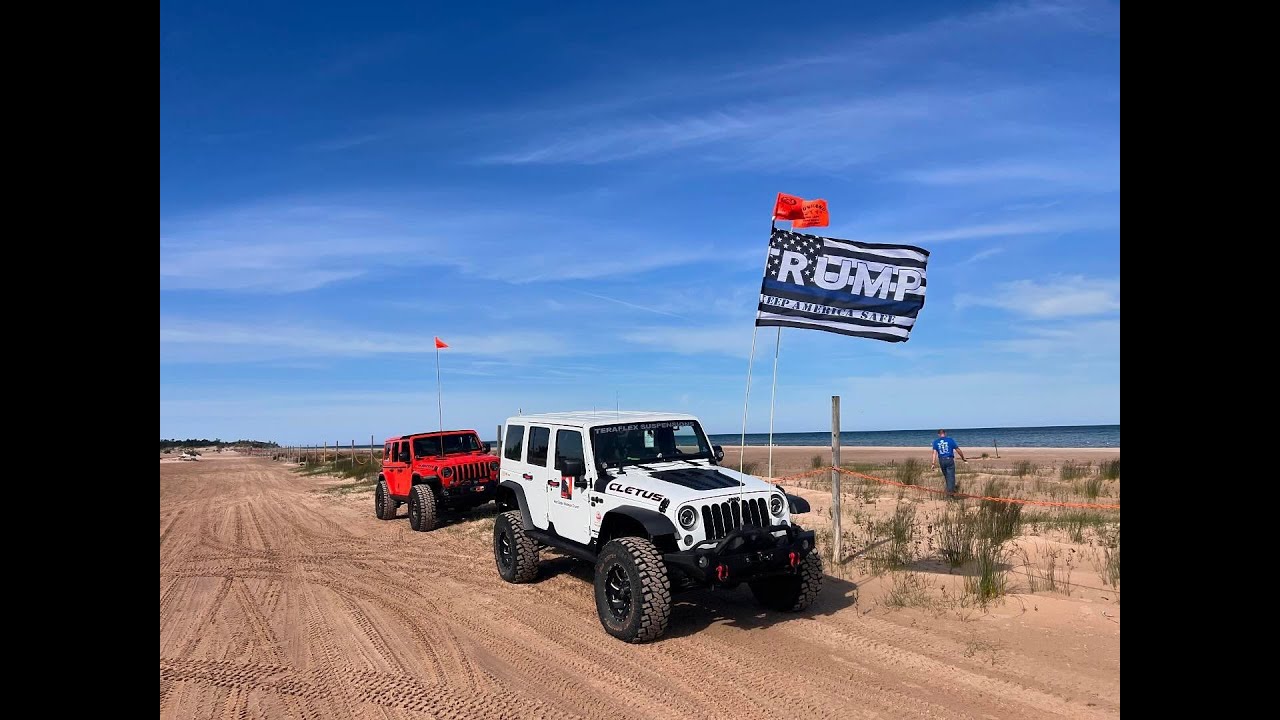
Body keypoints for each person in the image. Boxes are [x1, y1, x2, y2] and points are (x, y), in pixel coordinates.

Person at [930, 429, 968, 497]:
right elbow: (958, 450)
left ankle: (949, 490)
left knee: (947, 476)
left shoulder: (936, 442)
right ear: (945, 433)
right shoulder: (950, 440)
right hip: (949, 460)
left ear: (938, 434)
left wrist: (933, 463)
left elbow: (934, 453)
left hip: (941, 460)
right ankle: (950, 494)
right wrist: (963, 458)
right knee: (951, 477)